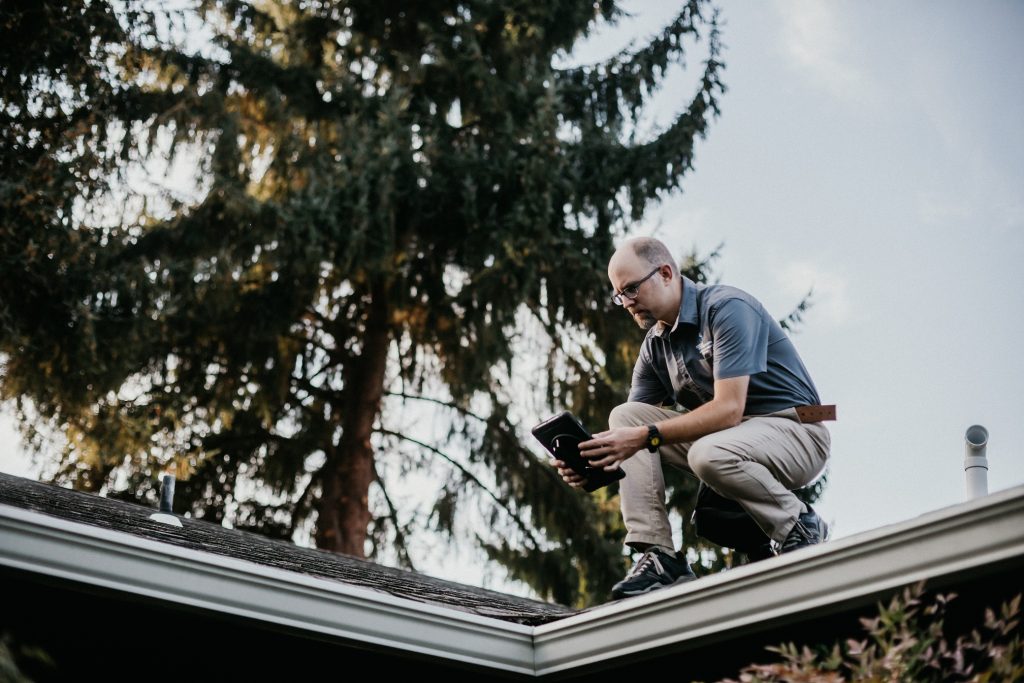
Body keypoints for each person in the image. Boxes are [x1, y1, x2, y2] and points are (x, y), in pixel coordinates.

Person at [554, 237, 833, 600]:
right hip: (734, 440)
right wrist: (594, 462)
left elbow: (729, 409)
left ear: (666, 273)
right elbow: (634, 437)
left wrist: (642, 437)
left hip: (797, 432)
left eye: (632, 289)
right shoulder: (656, 346)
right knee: (625, 416)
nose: (626, 303)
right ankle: (660, 557)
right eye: (619, 295)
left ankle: (799, 525)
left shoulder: (726, 308)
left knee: (706, 454)